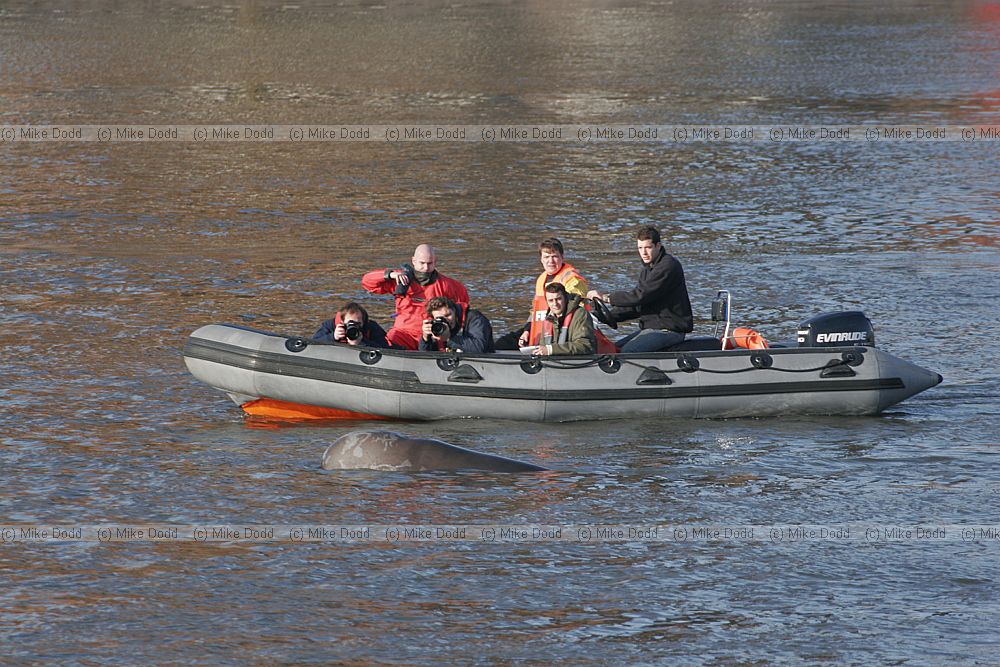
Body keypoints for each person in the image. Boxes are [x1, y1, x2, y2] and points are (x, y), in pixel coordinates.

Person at [495, 237, 615, 353]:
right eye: (546, 257)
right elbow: (535, 311)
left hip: (563, 329)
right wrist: (527, 331)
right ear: (541, 259)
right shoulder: (541, 279)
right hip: (542, 327)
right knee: (503, 344)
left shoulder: (573, 280)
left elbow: (574, 312)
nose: (550, 261)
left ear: (562, 257)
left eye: (555, 257)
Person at [586, 225, 693, 353]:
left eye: (648, 247)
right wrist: (599, 316)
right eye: (640, 248)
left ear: (658, 246)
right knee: (613, 350)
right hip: (651, 329)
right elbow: (637, 306)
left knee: (624, 355)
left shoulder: (668, 266)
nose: (644, 252)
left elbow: (640, 296)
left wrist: (606, 298)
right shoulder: (648, 269)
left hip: (669, 330)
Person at [362, 244, 470, 350]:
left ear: (435, 261)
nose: (426, 268)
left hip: (433, 333)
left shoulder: (449, 285)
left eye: (430, 263)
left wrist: (451, 330)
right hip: (403, 333)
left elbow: (464, 308)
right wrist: (390, 275)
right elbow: (367, 282)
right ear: (413, 261)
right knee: (390, 341)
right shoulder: (400, 280)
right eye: (422, 263)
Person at [533, 283, 595, 356]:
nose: (555, 304)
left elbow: (585, 346)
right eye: (551, 300)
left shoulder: (580, 314)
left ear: (565, 298)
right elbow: (543, 347)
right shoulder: (548, 319)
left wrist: (551, 350)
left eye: (558, 299)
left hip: (577, 363)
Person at [418, 296, 495, 354]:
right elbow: (426, 357)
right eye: (439, 318)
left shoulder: (475, 318)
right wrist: (425, 339)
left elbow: (479, 348)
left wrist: (449, 339)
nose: (446, 320)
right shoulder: (437, 326)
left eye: (448, 315)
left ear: (454, 311)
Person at [313, 302, 390, 348]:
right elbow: (313, 343)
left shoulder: (371, 327)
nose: (354, 326)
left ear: (363, 321)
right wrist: (333, 336)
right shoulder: (330, 325)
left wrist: (361, 343)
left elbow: (385, 349)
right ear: (342, 321)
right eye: (350, 323)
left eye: (358, 323)